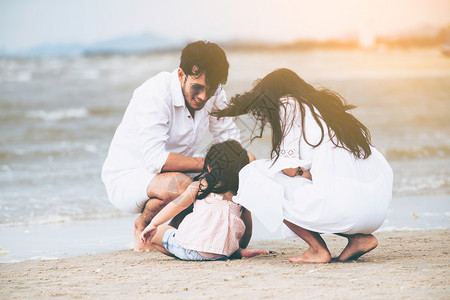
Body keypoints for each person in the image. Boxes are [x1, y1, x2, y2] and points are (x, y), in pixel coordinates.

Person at [213, 68, 393, 263]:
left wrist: (302, 173)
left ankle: (317, 249)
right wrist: (305, 173)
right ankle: (357, 239)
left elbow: (288, 169)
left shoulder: (287, 105)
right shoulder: (321, 108)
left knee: (254, 174)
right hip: (373, 209)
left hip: (348, 209)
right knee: (293, 184)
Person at [101, 41, 241, 251]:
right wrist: (209, 165)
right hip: (129, 176)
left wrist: (237, 166)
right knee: (184, 186)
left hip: (177, 172)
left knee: (240, 165)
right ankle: (142, 226)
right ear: (181, 75)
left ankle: (179, 235)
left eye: (210, 90)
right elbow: (155, 159)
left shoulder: (214, 93)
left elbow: (229, 138)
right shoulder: (155, 93)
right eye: (197, 88)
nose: (203, 96)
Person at [140, 140, 268, 260]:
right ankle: (236, 251)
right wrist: (239, 248)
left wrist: (153, 224)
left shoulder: (200, 186)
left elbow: (175, 206)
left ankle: (185, 252)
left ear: (209, 167)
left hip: (192, 250)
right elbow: (248, 229)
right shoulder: (241, 195)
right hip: (223, 253)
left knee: (155, 235)